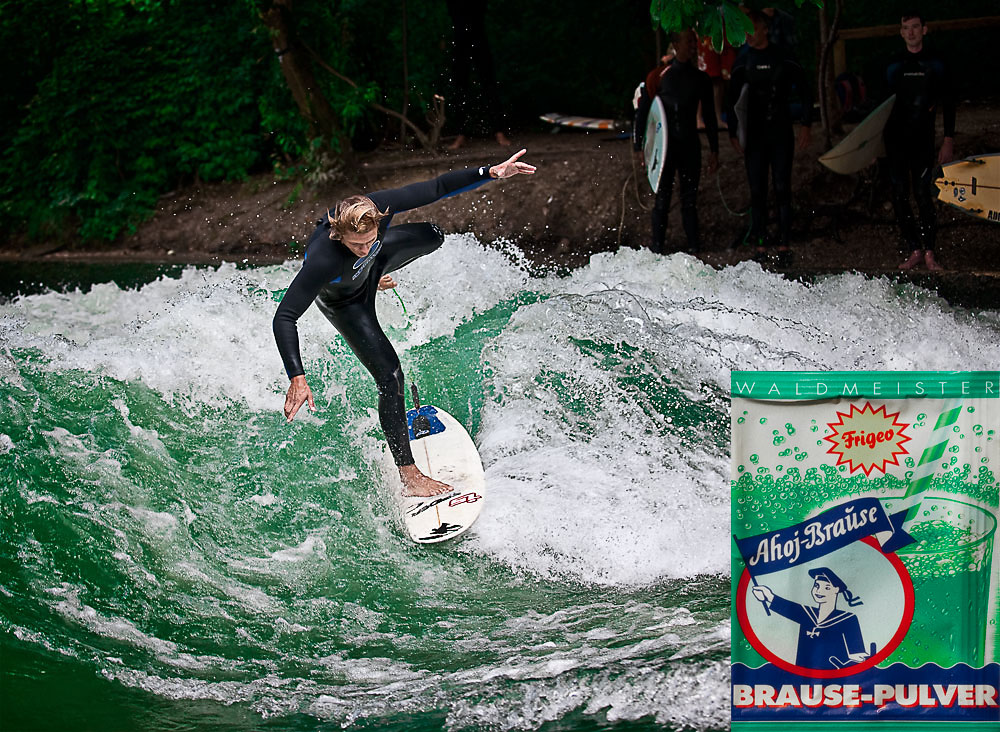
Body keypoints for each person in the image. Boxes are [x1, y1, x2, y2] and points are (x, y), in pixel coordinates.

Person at [273, 150, 536, 497]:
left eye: (370, 241)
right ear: (339, 236)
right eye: (356, 245)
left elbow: (438, 186)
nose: (364, 247)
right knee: (391, 376)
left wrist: (492, 172)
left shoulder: (378, 210)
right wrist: (297, 378)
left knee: (432, 234)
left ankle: (375, 273)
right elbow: (285, 316)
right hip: (344, 300)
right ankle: (409, 476)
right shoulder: (323, 257)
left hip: (367, 274)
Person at [726, 9, 812, 265]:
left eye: (752, 30)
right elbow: (731, 100)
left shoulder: (783, 56)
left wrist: (806, 124)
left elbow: (806, 91)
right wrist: (732, 133)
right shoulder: (743, 60)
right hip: (754, 135)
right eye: (745, 31)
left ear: (764, 29)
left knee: (782, 186)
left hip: (781, 131)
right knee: (757, 190)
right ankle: (761, 245)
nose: (748, 36)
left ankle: (784, 244)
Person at [634, 29, 719, 254]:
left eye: (695, 41)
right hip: (665, 149)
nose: (693, 45)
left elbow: (710, 116)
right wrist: (638, 146)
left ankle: (694, 248)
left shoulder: (700, 78)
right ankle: (657, 248)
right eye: (689, 41)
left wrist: (714, 150)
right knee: (662, 199)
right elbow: (643, 112)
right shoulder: (659, 76)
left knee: (689, 200)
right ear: (675, 45)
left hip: (690, 146)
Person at [885, 10, 955, 271]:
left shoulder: (937, 64)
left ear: (924, 29)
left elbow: (949, 103)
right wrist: (871, 146)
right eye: (907, 28)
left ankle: (929, 251)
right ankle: (914, 248)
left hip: (923, 139)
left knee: (922, 194)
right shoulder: (894, 65)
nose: (911, 32)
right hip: (895, 140)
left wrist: (948, 139)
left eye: (916, 27)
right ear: (901, 32)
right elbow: (881, 108)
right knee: (899, 194)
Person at [751, 567, 869, 670]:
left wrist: (856, 660)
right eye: (816, 586)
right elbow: (788, 608)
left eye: (827, 588)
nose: (819, 591)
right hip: (801, 679)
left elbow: (857, 655)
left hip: (836, 682)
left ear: (836, 590)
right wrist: (768, 596)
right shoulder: (808, 614)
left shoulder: (848, 620)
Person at [444, 0, 511, 150]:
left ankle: (499, 131)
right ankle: (461, 134)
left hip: (479, 38)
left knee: (489, 84)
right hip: (460, 39)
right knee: (459, 86)